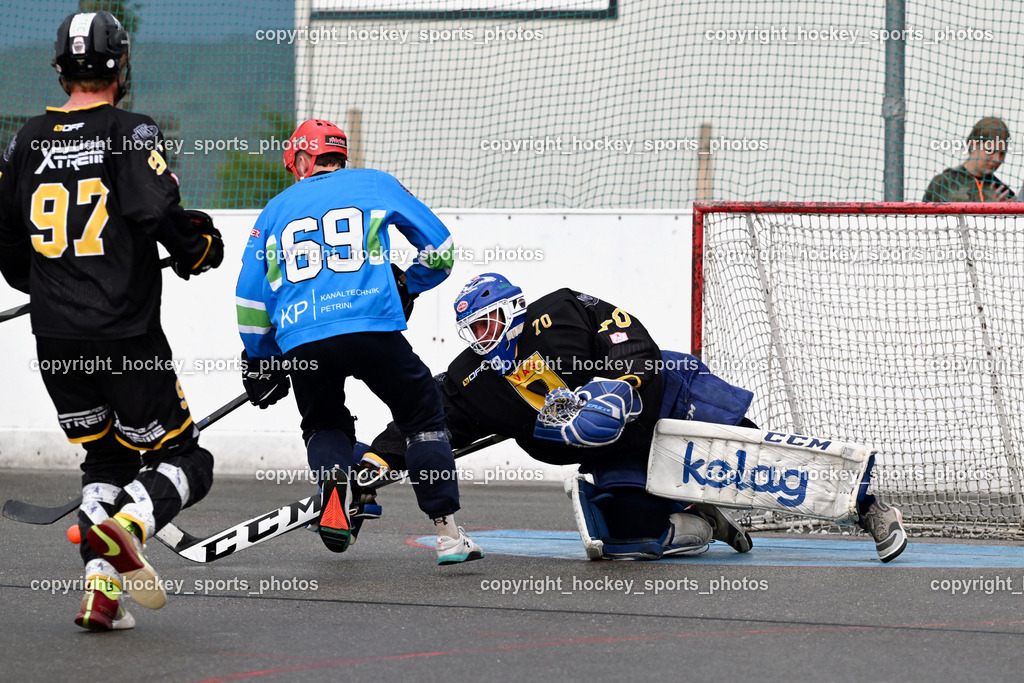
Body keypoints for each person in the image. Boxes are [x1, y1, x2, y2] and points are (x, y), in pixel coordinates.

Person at [361, 273, 909, 563]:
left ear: (514, 309)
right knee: (621, 543)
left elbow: (631, 340)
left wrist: (620, 390)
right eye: (472, 331)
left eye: (488, 323)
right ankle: (704, 520)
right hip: (615, 450)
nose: (483, 339)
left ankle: (869, 508)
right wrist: (372, 462)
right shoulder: (473, 380)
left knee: (756, 463)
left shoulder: (561, 308)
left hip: (664, 398)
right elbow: (422, 416)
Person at [0, 11, 224, 631]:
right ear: (122, 67)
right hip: (126, 336)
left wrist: (51, 288)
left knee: (103, 463)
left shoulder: (25, 141)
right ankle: (129, 527)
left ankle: (102, 594)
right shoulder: (132, 131)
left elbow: (9, 247)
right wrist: (196, 249)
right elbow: (156, 210)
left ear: (59, 68)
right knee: (186, 460)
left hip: (56, 341)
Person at [235, 118, 482, 566]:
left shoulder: (274, 209)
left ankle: (335, 490)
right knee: (423, 416)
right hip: (371, 326)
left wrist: (261, 358)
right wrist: (408, 284)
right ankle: (447, 535)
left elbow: (251, 299)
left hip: (302, 337)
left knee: (324, 424)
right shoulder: (375, 184)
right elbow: (441, 250)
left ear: (304, 160)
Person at [923, 117, 1015, 202]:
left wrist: (1004, 213)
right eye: (990, 150)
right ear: (973, 145)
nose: (997, 159)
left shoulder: (1002, 192)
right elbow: (926, 219)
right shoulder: (944, 183)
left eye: (1002, 153)